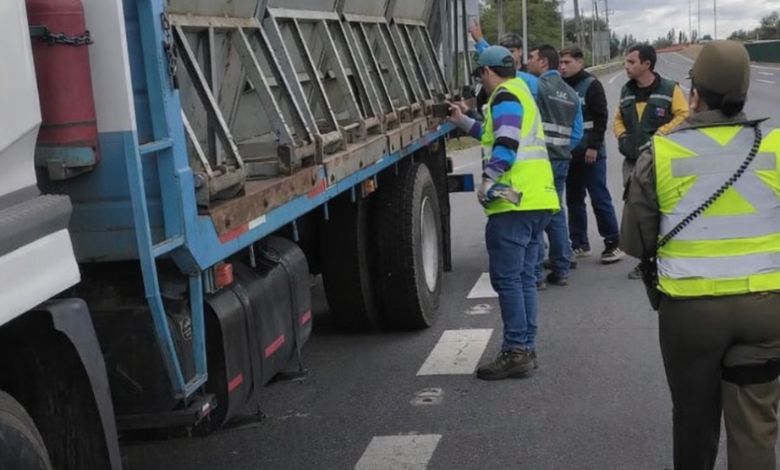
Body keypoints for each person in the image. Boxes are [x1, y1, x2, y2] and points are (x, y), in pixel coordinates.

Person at [622, 40, 780, 469]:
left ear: (695, 94)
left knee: (694, 417)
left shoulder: (662, 153)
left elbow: (635, 242)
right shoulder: (775, 147)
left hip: (690, 313)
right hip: (766, 308)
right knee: (756, 426)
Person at [448, 46, 558, 380]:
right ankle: (526, 347)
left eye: (479, 75)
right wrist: (462, 120)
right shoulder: (521, 91)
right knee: (524, 279)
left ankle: (515, 351)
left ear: (486, 72)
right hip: (537, 201)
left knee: (509, 280)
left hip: (513, 203)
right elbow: (493, 133)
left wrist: (488, 179)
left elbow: (507, 143)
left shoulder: (504, 96)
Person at [614, 44, 688, 279]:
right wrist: (622, 137)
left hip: (661, 161)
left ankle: (666, 257)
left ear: (647, 64)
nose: (627, 66)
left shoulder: (670, 88)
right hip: (633, 162)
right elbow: (618, 118)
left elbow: (684, 115)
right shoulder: (626, 90)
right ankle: (646, 260)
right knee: (639, 212)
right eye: (626, 62)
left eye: (631, 62)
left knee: (662, 210)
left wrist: (661, 134)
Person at [559, 46, 624, 264]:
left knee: (599, 197)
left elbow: (601, 117)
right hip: (570, 152)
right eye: (561, 63)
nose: (563, 67)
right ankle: (579, 243)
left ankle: (613, 242)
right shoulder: (561, 86)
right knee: (574, 199)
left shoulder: (591, 84)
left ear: (580, 62)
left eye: (567, 62)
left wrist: (594, 146)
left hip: (591, 152)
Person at [527, 44, 583, 287]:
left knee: (536, 214)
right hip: (561, 160)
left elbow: (503, 72)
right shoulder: (572, 94)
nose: (527, 61)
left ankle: (536, 274)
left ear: (543, 62)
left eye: (531, 57)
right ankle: (561, 269)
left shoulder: (536, 85)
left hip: (540, 161)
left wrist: (482, 44)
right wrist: (563, 149)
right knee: (556, 211)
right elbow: (577, 133)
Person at [469, 21, 538, 97]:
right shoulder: (493, 78)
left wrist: (480, 41)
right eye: (503, 51)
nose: (507, 55)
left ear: (520, 51)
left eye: (511, 51)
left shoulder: (530, 77)